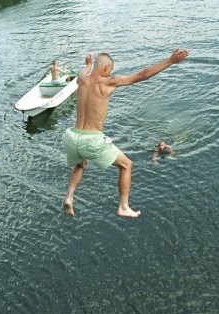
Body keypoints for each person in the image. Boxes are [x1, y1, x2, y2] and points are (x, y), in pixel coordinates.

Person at [62, 49, 189, 218]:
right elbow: (142, 75)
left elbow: (82, 74)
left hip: (72, 136)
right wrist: (170, 61)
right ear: (107, 68)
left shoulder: (82, 79)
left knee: (80, 164)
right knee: (126, 165)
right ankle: (123, 206)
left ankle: (69, 197)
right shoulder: (109, 82)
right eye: (110, 70)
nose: (111, 73)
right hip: (92, 140)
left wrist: (88, 65)